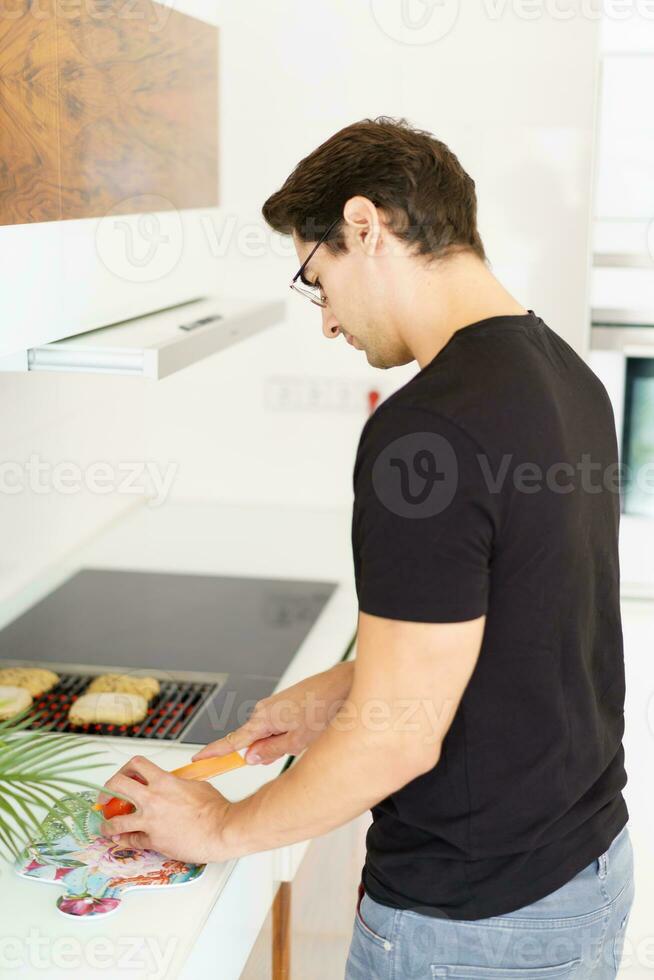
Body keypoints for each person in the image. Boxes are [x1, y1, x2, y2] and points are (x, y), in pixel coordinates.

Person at [97, 117, 635, 979]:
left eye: (317, 280)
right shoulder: (565, 375)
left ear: (364, 225)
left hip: (470, 924)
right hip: (582, 875)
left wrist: (221, 826)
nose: (327, 322)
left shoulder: (424, 434)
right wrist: (349, 689)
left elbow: (398, 742)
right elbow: (526, 628)